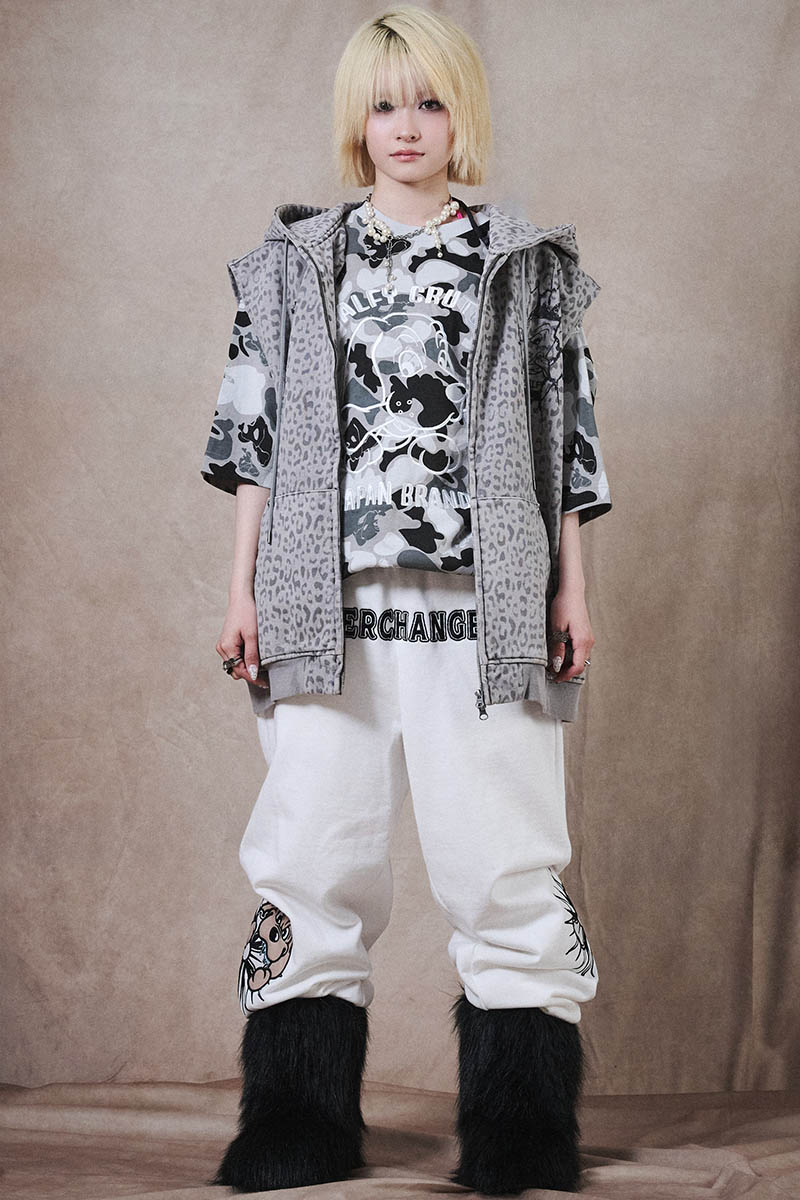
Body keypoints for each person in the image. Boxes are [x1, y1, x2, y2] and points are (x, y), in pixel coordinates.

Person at [200, 5, 612, 1194]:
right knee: (311, 853)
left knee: (502, 860)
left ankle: (521, 1133)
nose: (406, 126)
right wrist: (240, 590)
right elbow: (251, 438)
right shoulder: (291, 264)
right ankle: (296, 1122)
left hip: (487, 610)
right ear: (356, 119)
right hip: (319, 607)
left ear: (459, 112)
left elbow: (565, 440)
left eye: (428, 100)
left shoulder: (524, 265)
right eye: (383, 104)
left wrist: (571, 591)